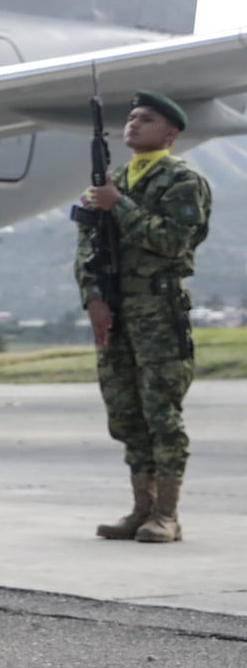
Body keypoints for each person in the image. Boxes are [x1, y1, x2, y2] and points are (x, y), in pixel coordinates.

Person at [77, 90, 211, 544]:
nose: (133, 124)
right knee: (125, 412)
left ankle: (167, 514)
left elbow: (175, 242)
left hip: (157, 309)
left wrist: (120, 205)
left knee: (161, 412)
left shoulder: (181, 180)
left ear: (169, 134)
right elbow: (88, 248)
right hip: (115, 309)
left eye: (146, 119)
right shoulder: (111, 180)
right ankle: (141, 508)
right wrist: (92, 297)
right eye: (131, 117)